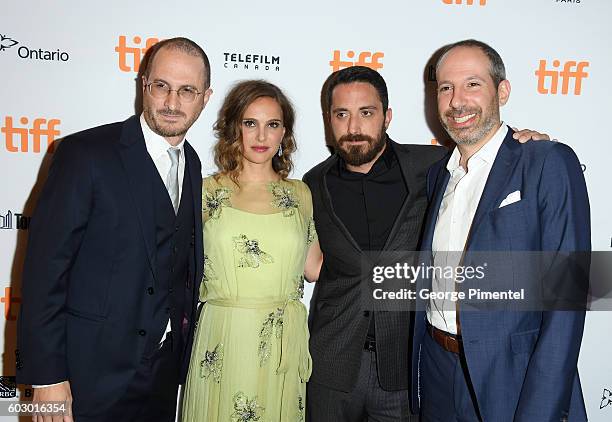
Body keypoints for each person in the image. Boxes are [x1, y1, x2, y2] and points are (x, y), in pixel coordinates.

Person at [303, 65, 548, 422]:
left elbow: (489, 160)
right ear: (329, 119)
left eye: (366, 113)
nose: (354, 127)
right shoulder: (313, 184)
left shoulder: (434, 166)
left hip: (404, 366)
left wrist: (526, 145)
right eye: (342, 114)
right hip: (332, 364)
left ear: (387, 117)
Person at [16, 37, 212, 421]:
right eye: (162, 86)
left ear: (205, 98)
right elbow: (44, 273)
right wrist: (47, 379)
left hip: (160, 376)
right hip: (84, 378)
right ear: (144, 85)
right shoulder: (84, 154)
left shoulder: (191, 161)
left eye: (187, 90)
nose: (172, 102)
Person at [411, 39, 589, 421]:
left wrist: (540, 411)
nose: (457, 101)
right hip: (439, 370)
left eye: (472, 84)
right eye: (446, 88)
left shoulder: (546, 162)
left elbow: (567, 299)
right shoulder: (437, 176)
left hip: (513, 378)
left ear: (502, 91)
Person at [182, 80, 323, 422]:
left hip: (280, 345)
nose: (261, 136)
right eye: (250, 123)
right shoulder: (203, 192)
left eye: (272, 124)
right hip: (224, 335)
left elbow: (314, 268)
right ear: (234, 128)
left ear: (283, 133)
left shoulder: (300, 193)